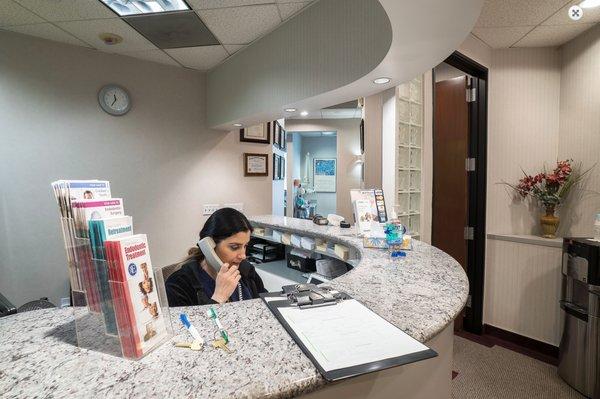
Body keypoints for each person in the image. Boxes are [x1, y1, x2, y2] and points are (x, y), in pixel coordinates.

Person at [165, 208, 266, 306]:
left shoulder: (246, 269)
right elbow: (187, 323)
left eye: (245, 246)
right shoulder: (179, 284)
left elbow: (266, 304)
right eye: (234, 247)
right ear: (209, 246)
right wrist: (219, 297)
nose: (243, 256)